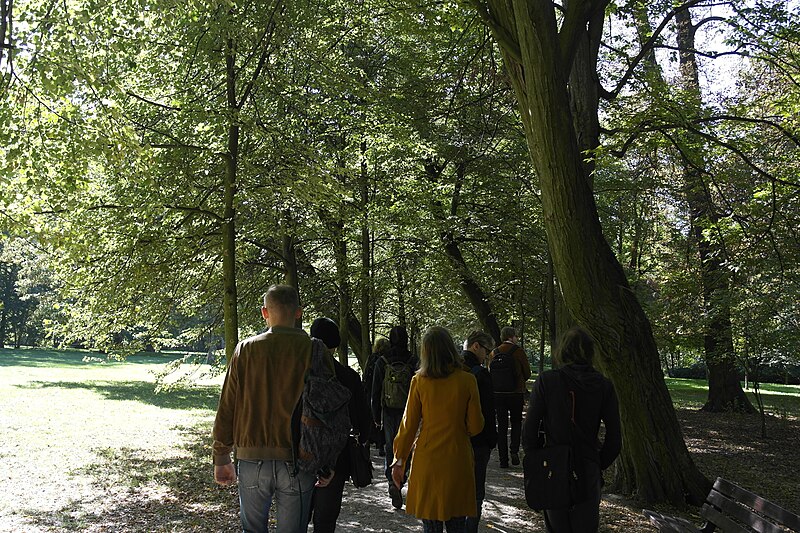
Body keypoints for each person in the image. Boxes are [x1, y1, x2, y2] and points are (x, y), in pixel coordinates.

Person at [212, 284, 324, 533]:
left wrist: (221, 455)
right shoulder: (314, 350)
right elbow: (329, 407)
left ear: (265, 313)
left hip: (252, 458)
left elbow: (228, 404)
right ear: (299, 312)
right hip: (299, 456)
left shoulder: (246, 349)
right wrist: (328, 460)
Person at [522, 326, 622, 533]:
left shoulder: (547, 381)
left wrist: (539, 459)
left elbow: (530, 430)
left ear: (563, 351)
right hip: (587, 467)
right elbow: (614, 439)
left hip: (554, 465)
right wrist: (596, 463)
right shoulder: (604, 386)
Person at [391, 326, 484, 533]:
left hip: (428, 462)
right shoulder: (468, 380)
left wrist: (399, 461)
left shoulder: (419, 381)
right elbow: (476, 427)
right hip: (457, 459)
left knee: (431, 527)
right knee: (457, 524)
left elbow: (408, 426)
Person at [308, 317, 372, 533]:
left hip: (301, 457)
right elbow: (363, 421)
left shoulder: (297, 374)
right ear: (335, 346)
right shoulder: (349, 377)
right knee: (325, 523)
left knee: (295, 522)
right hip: (335, 461)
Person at [371, 325, 417, 509]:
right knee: (408, 448)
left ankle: (392, 482)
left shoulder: (382, 361)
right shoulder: (413, 360)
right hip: (410, 410)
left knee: (391, 447)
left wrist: (376, 416)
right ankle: (402, 480)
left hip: (388, 410)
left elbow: (375, 392)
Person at [461, 331, 498, 533]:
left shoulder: (450, 369)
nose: (488, 355)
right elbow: (488, 411)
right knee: (476, 491)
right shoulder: (480, 375)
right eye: (487, 350)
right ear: (476, 346)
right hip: (478, 440)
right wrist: (492, 440)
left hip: (455, 439)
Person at [490, 326, 531, 468]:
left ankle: (503, 459)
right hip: (515, 393)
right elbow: (527, 373)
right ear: (512, 336)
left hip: (498, 394)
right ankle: (514, 449)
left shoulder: (493, 353)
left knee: (501, 425)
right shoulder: (518, 351)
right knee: (516, 422)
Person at [363, 337, 390, 456]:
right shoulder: (387, 360)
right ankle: (381, 444)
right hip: (385, 393)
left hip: (370, 391)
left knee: (372, 415)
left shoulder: (371, 358)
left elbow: (365, 375)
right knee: (383, 417)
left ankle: (369, 441)